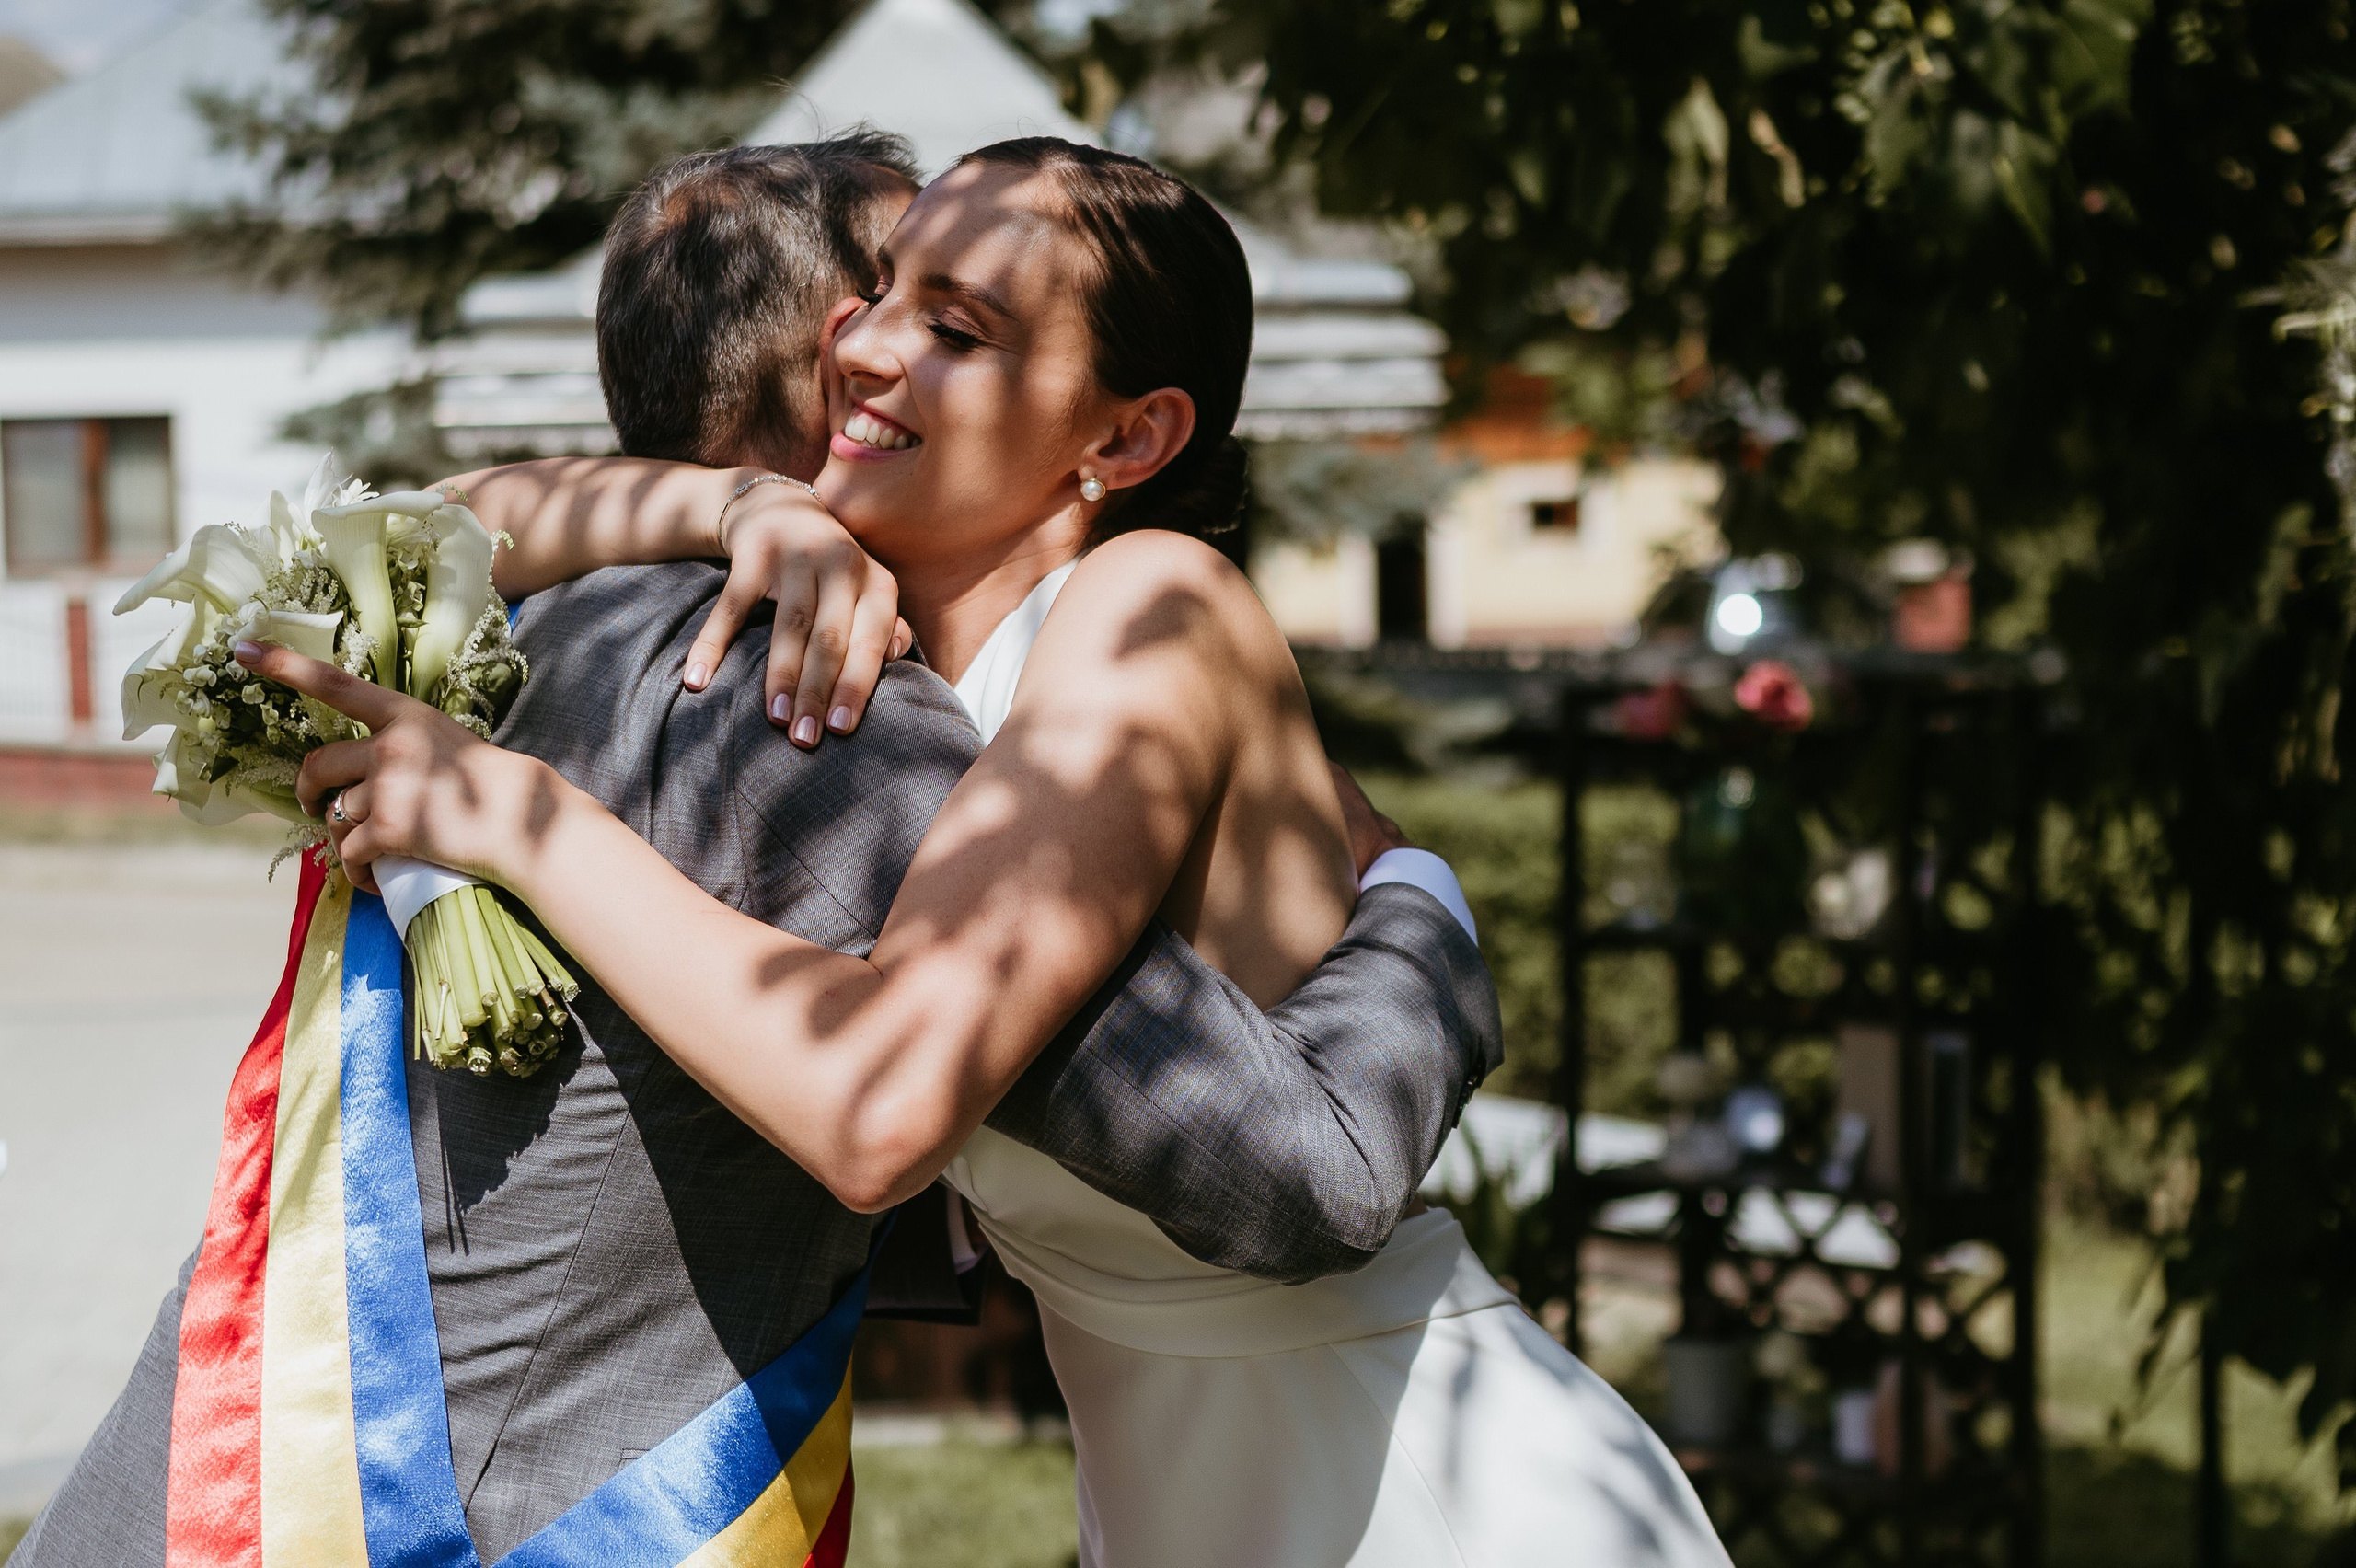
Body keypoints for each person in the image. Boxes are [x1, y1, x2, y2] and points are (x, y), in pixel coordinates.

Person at [12, 135, 1501, 1566]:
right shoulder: (809, 702)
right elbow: (1310, 1167)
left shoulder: (512, 627)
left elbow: (398, 534)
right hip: (466, 1516)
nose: (879, 353)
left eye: (952, 323)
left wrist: (714, 510)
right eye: (882, 300)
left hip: (221, 1468)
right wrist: (1422, 897)